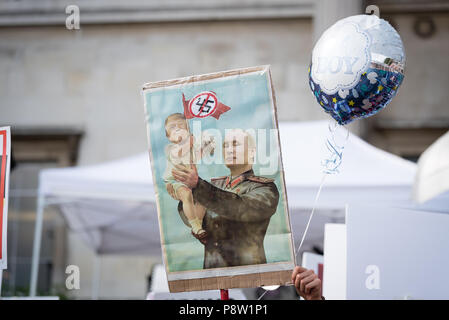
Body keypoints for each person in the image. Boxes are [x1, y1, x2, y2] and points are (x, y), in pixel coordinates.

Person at [167, 129, 279, 269]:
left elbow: (239, 208)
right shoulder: (214, 186)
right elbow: (193, 221)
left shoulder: (265, 188)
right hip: (214, 273)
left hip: (249, 274)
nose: (229, 150)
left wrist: (198, 186)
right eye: (225, 145)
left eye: (235, 144)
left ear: (251, 152)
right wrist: (186, 194)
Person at [163, 113, 211, 239]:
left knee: (203, 198)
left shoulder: (190, 149)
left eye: (181, 126)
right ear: (168, 136)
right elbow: (179, 152)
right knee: (186, 194)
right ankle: (195, 225)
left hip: (191, 180)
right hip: (175, 181)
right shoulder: (171, 149)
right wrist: (191, 141)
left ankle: (198, 226)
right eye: (173, 127)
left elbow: (198, 155)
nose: (177, 128)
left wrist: (208, 145)